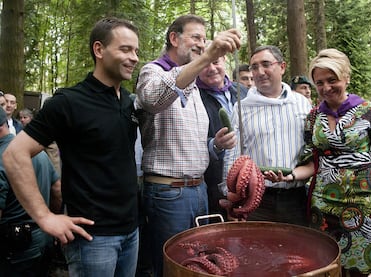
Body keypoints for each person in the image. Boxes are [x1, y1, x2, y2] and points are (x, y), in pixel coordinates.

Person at [3, 17, 140, 276]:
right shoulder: (68, 102)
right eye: (125, 49)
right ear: (99, 50)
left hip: (131, 232)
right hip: (92, 238)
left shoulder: (129, 103)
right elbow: (14, 154)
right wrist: (44, 217)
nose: (134, 57)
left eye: (136, 51)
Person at [269, 48, 371, 276]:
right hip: (324, 208)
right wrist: (289, 175)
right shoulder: (313, 117)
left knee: (367, 270)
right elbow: (312, 163)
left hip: (365, 209)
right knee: (328, 269)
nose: (326, 88)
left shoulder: (369, 112)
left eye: (332, 80)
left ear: (346, 78)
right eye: (319, 83)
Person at [135, 14, 240, 277]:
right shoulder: (153, 70)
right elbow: (154, 98)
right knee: (173, 267)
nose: (202, 45)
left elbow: (191, 146)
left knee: (198, 266)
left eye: (205, 40)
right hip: (168, 192)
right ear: (174, 38)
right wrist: (208, 55)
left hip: (199, 190)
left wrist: (214, 145)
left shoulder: (194, 84)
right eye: (196, 37)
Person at [222, 45, 312, 225]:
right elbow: (232, 155)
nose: (260, 72)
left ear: (282, 67)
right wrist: (231, 198)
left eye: (266, 64)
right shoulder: (242, 107)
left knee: (297, 249)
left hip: (295, 199)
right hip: (257, 201)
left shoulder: (302, 104)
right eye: (254, 67)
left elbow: (311, 149)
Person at [0, 107, 62, 276]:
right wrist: (49, 219)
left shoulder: (3, 157)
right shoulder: (35, 152)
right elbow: (57, 189)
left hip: (15, 249)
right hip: (43, 238)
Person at [196, 43, 241, 219]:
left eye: (216, 62)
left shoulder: (242, 92)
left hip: (246, 180)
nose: (212, 68)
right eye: (205, 63)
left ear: (225, 61)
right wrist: (214, 145)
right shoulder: (194, 96)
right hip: (212, 183)